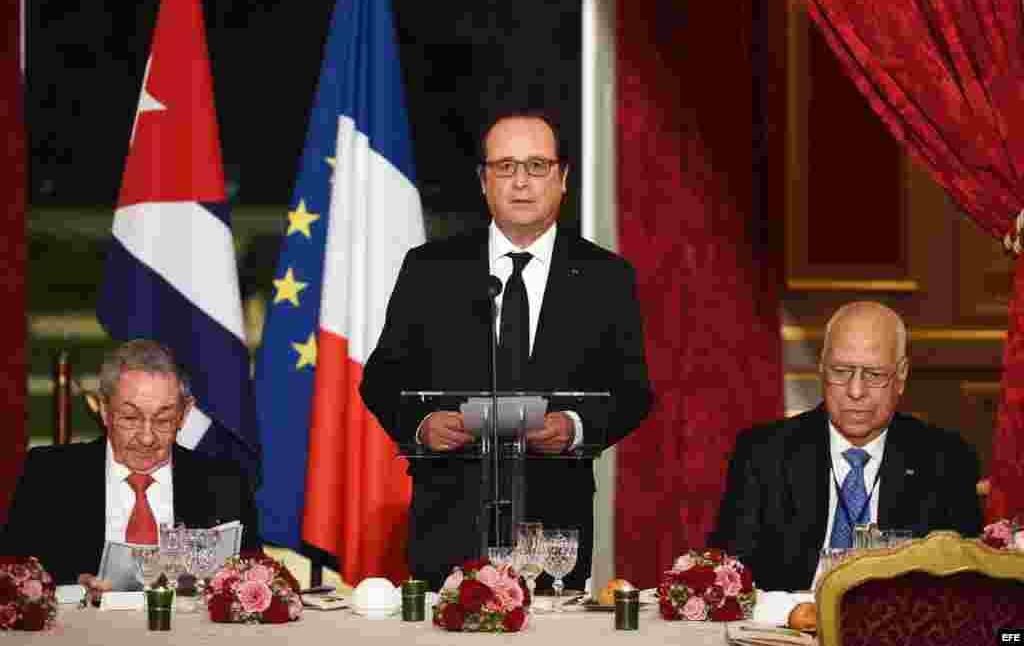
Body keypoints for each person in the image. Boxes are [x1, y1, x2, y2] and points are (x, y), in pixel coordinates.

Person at [360, 108, 653, 590]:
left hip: (553, 529)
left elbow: (633, 391)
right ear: (483, 181)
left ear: (563, 179)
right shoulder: (431, 269)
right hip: (449, 521)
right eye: (505, 167)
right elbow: (383, 378)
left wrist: (576, 427)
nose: (521, 182)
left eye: (537, 167)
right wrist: (421, 423)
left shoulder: (606, 277)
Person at [710, 301, 982, 591]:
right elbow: (730, 574)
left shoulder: (946, 459)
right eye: (841, 371)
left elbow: (963, 585)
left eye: (874, 375)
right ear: (821, 368)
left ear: (901, 376)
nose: (855, 391)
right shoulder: (764, 453)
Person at [1, 339, 261, 587]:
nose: (146, 438)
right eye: (130, 418)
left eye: (163, 420)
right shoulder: (49, 475)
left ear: (184, 414)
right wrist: (73, 588)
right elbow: (14, 577)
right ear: (104, 409)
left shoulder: (225, 482)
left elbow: (252, 578)